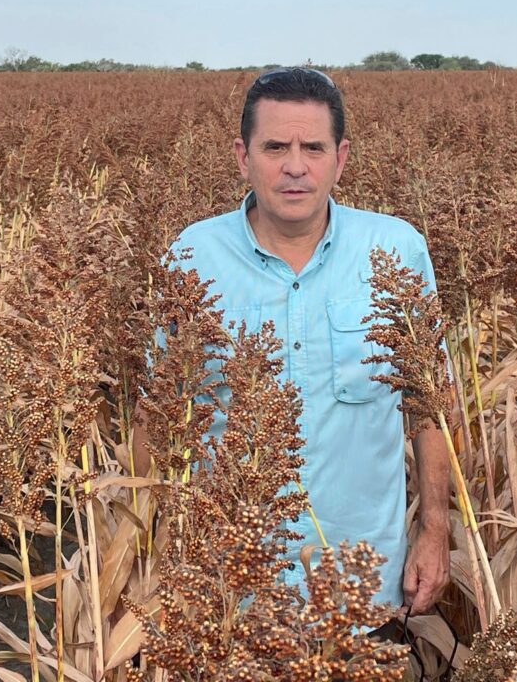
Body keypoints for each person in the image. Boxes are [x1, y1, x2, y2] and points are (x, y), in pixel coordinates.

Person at [168, 67, 451, 619]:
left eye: (313, 147)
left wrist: (434, 530)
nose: (295, 166)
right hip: (233, 586)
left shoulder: (395, 250)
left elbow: (428, 406)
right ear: (242, 156)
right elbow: (161, 412)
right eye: (275, 146)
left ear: (340, 158)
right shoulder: (193, 258)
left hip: (363, 578)